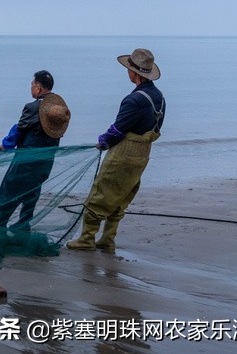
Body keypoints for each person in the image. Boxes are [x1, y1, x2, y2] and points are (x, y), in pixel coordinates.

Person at [67, 48, 166, 253]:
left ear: (135, 74)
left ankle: (86, 239)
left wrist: (103, 141)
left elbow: (118, 129)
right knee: (123, 194)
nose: (127, 72)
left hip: (125, 153)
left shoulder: (134, 100)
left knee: (101, 193)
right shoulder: (159, 97)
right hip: (143, 153)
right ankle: (108, 238)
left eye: (129, 69)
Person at [0, 71, 70, 230]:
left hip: (26, 160)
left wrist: (6, 145)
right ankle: (23, 225)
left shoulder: (33, 107)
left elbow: (20, 129)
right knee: (32, 193)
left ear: (38, 88)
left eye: (32, 85)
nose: (31, 88)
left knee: (9, 190)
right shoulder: (60, 110)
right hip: (46, 161)